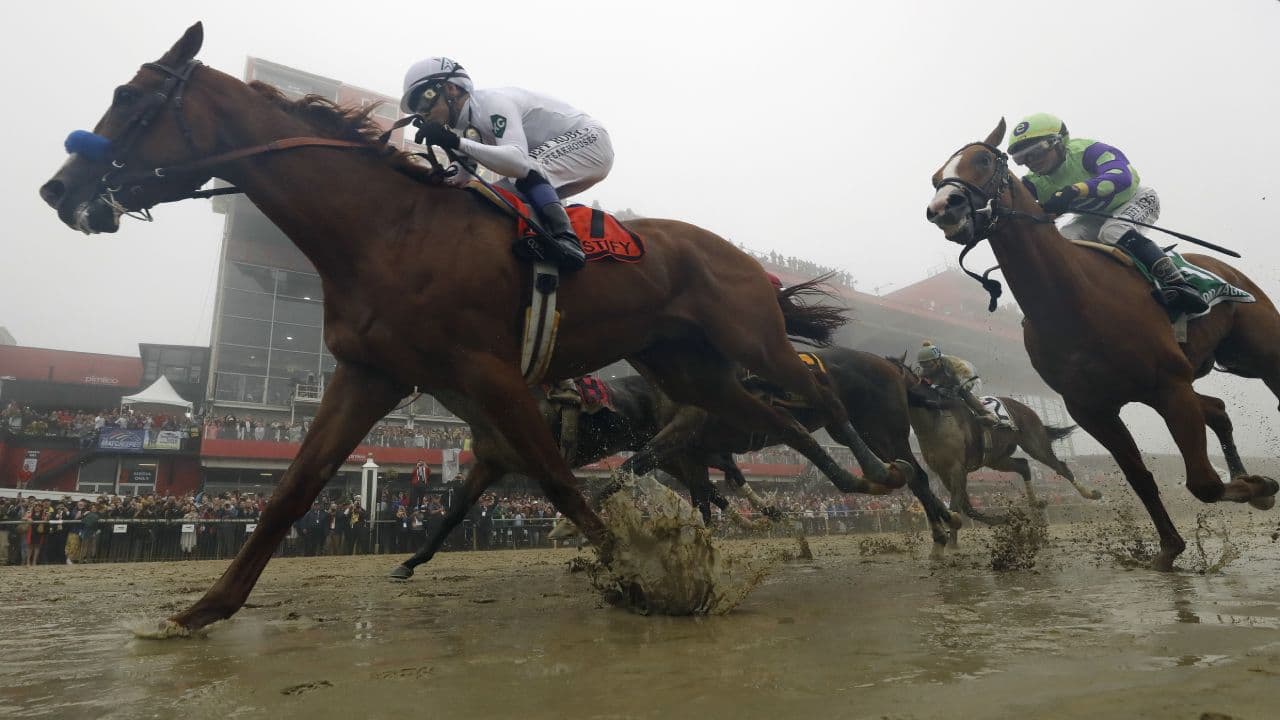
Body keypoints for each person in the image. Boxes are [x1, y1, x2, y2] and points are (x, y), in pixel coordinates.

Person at [399, 56, 615, 272]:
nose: (423, 112)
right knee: (490, 197)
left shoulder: (493, 102)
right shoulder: (462, 128)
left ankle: (567, 241)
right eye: (416, 109)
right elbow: (462, 178)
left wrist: (455, 142)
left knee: (522, 171)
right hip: (554, 157)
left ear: (451, 89)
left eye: (425, 99)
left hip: (589, 139)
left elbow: (517, 164)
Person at [1007, 112, 1208, 315]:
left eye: (1036, 151)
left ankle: (1178, 284)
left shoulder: (1088, 151)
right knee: (1064, 238)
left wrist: (1075, 190)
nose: (1031, 162)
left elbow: (1121, 176)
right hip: (1094, 216)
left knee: (1113, 231)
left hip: (1135, 199)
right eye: (1022, 158)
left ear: (1058, 142)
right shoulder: (1034, 181)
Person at [917, 341, 1010, 429]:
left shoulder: (952, 368)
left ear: (937, 361)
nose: (926, 369)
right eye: (923, 365)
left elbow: (955, 393)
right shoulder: (930, 367)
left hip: (970, 382)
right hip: (951, 384)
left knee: (962, 395)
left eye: (928, 365)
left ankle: (988, 414)